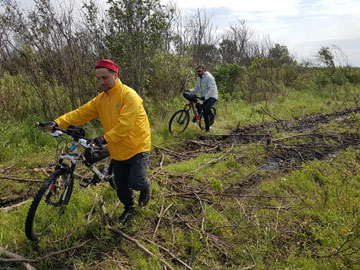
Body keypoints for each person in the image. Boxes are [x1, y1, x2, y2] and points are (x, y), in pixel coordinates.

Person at [44, 59, 151, 224]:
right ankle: (129, 208)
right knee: (121, 187)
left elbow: (125, 126)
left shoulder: (129, 96)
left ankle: (145, 187)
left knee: (136, 182)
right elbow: (81, 113)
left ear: (115, 75)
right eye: (98, 78)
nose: (101, 82)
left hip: (137, 147)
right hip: (117, 150)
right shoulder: (101, 99)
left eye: (105, 77)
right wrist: (58, 122)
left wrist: (104, 138)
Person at [183, 64, 218, 132]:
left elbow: (212, 89)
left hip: (212, 96)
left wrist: (205, 97)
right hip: (204, 97)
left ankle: (208, 128)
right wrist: (189, 91)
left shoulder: (209, 77)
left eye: (199, 71)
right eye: (197, 71)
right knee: (198, 103)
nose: (198, 72)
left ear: (204, 70)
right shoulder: (199, 78)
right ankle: (198, 116)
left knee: (205, 109)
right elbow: (196, 89)